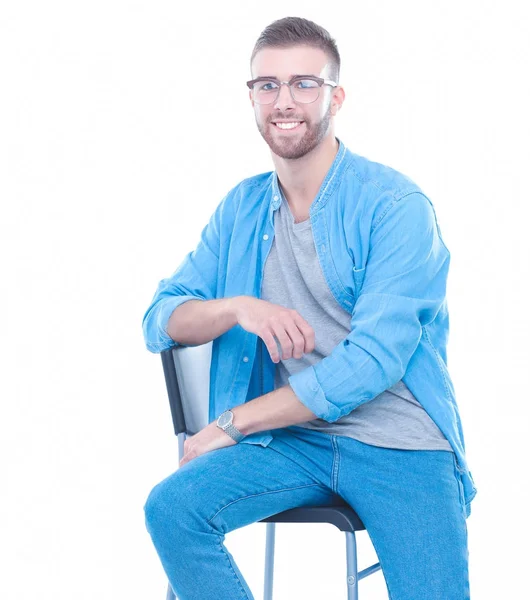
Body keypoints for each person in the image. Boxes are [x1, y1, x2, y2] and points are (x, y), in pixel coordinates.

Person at [142, 16, 477, 600]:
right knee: (173, 509)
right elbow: (160, 319)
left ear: (335, 96)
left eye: (303, 83)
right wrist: (240, 308)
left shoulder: (396, 206)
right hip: (294, 441)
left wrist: (233, 423)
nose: (283, 100)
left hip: (400, 442)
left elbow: (371, 361)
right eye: (266, 85)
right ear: (251, 98)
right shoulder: (241, 208)